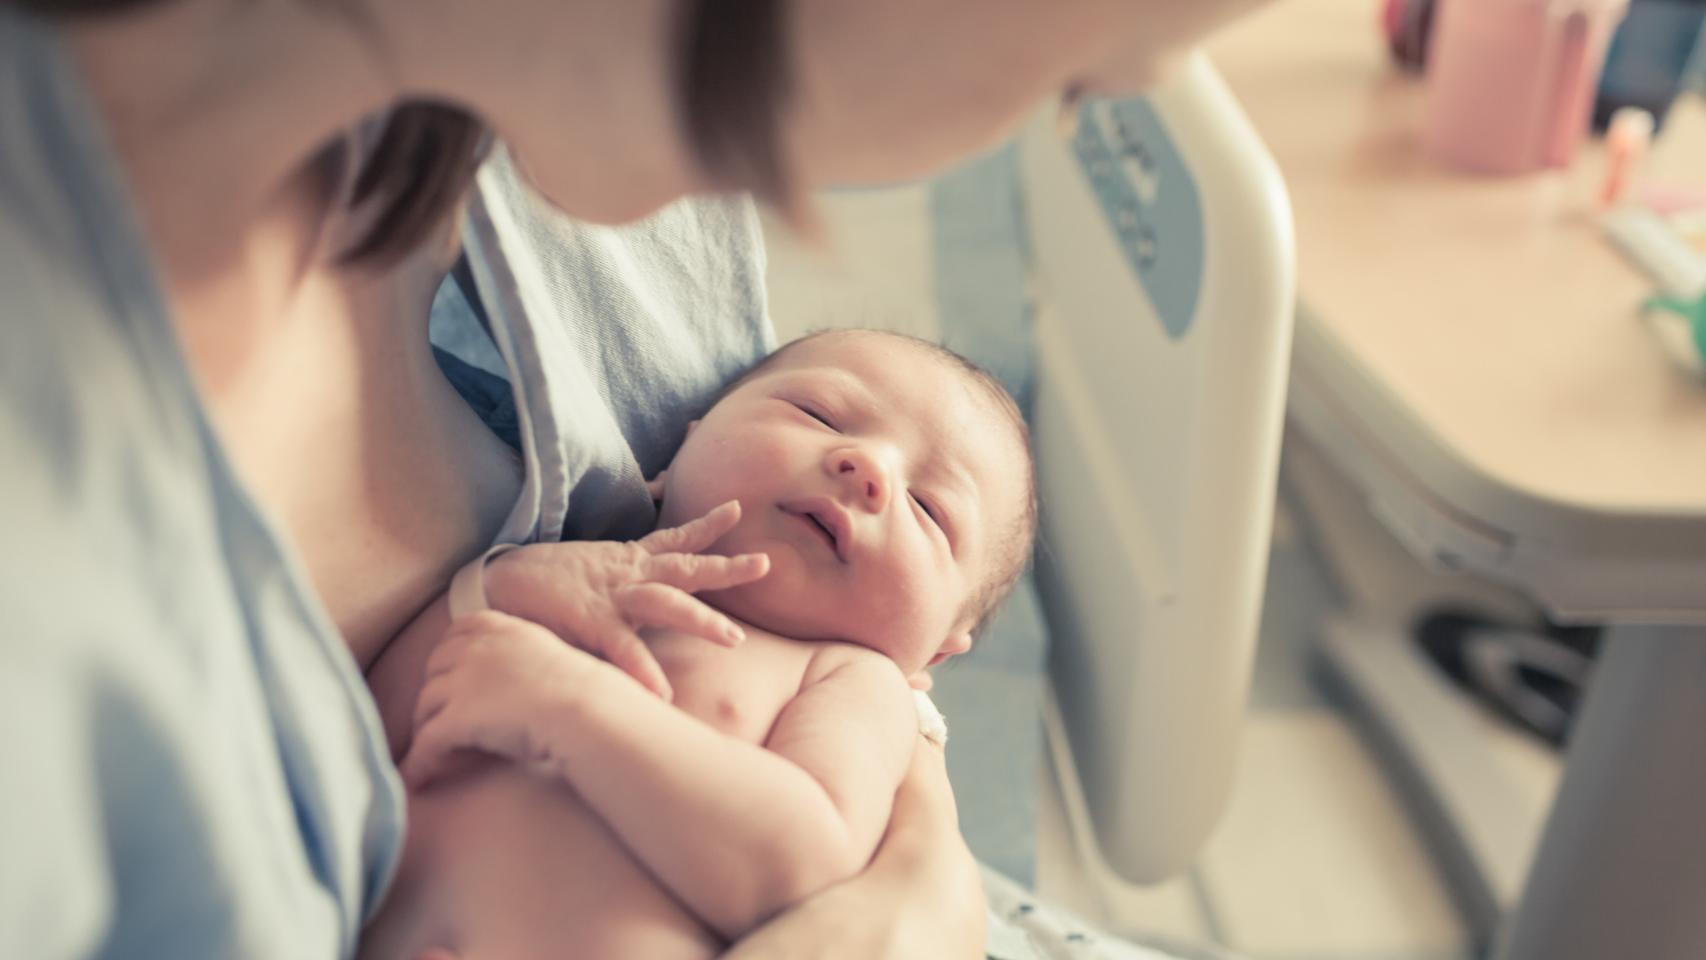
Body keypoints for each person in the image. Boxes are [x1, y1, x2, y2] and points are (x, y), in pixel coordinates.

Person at [0, 0, 1275, 957]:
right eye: (1082, 70)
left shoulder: (579, 120)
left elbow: (857, 807)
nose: (860, 467)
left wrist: (916, 887)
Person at [354, 329, 1037, 959]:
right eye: (820, 414)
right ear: (683, 444)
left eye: (931, 510)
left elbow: (796, 865)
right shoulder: (568, 567)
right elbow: (373, 719)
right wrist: (495, 591)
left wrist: (569, 707)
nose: (870, 469)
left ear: (937, 653)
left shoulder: (849, 680)